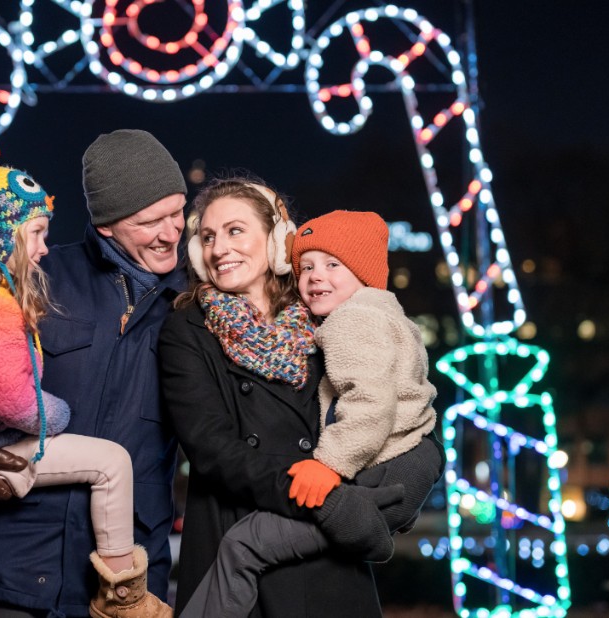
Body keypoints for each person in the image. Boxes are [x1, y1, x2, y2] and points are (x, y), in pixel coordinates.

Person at [0, 129, 188, 617]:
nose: (171, 233)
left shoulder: (196, 307)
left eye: (177, 213)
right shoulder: (29, 277)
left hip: (119, 589)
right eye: (151, 221)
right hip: (11, 570)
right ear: (107, 224)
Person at [159, 177, 437, 617]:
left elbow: (386, 402)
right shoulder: (187, 329)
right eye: (208, 237)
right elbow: (213, 449)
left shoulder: (327, 313)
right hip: (243, 533)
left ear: (275, 242)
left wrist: (418, 466)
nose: (217, 249)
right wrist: (321, 496)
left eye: (235, 231)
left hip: (326, 557)